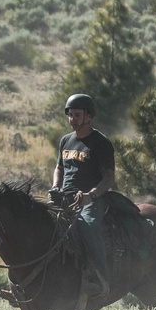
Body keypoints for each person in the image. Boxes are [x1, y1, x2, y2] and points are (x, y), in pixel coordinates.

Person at [51, 93, 115, 295]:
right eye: (70, 115)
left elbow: (109, 178)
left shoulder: (101, 142)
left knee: (87, 226)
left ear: (89, 116)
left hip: (92, 199)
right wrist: (55, 186)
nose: (72, 119)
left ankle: (101, 279)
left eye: (77, 115)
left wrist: (91, 195)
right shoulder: (65, 140)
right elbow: (59, 168)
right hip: (65, 197)